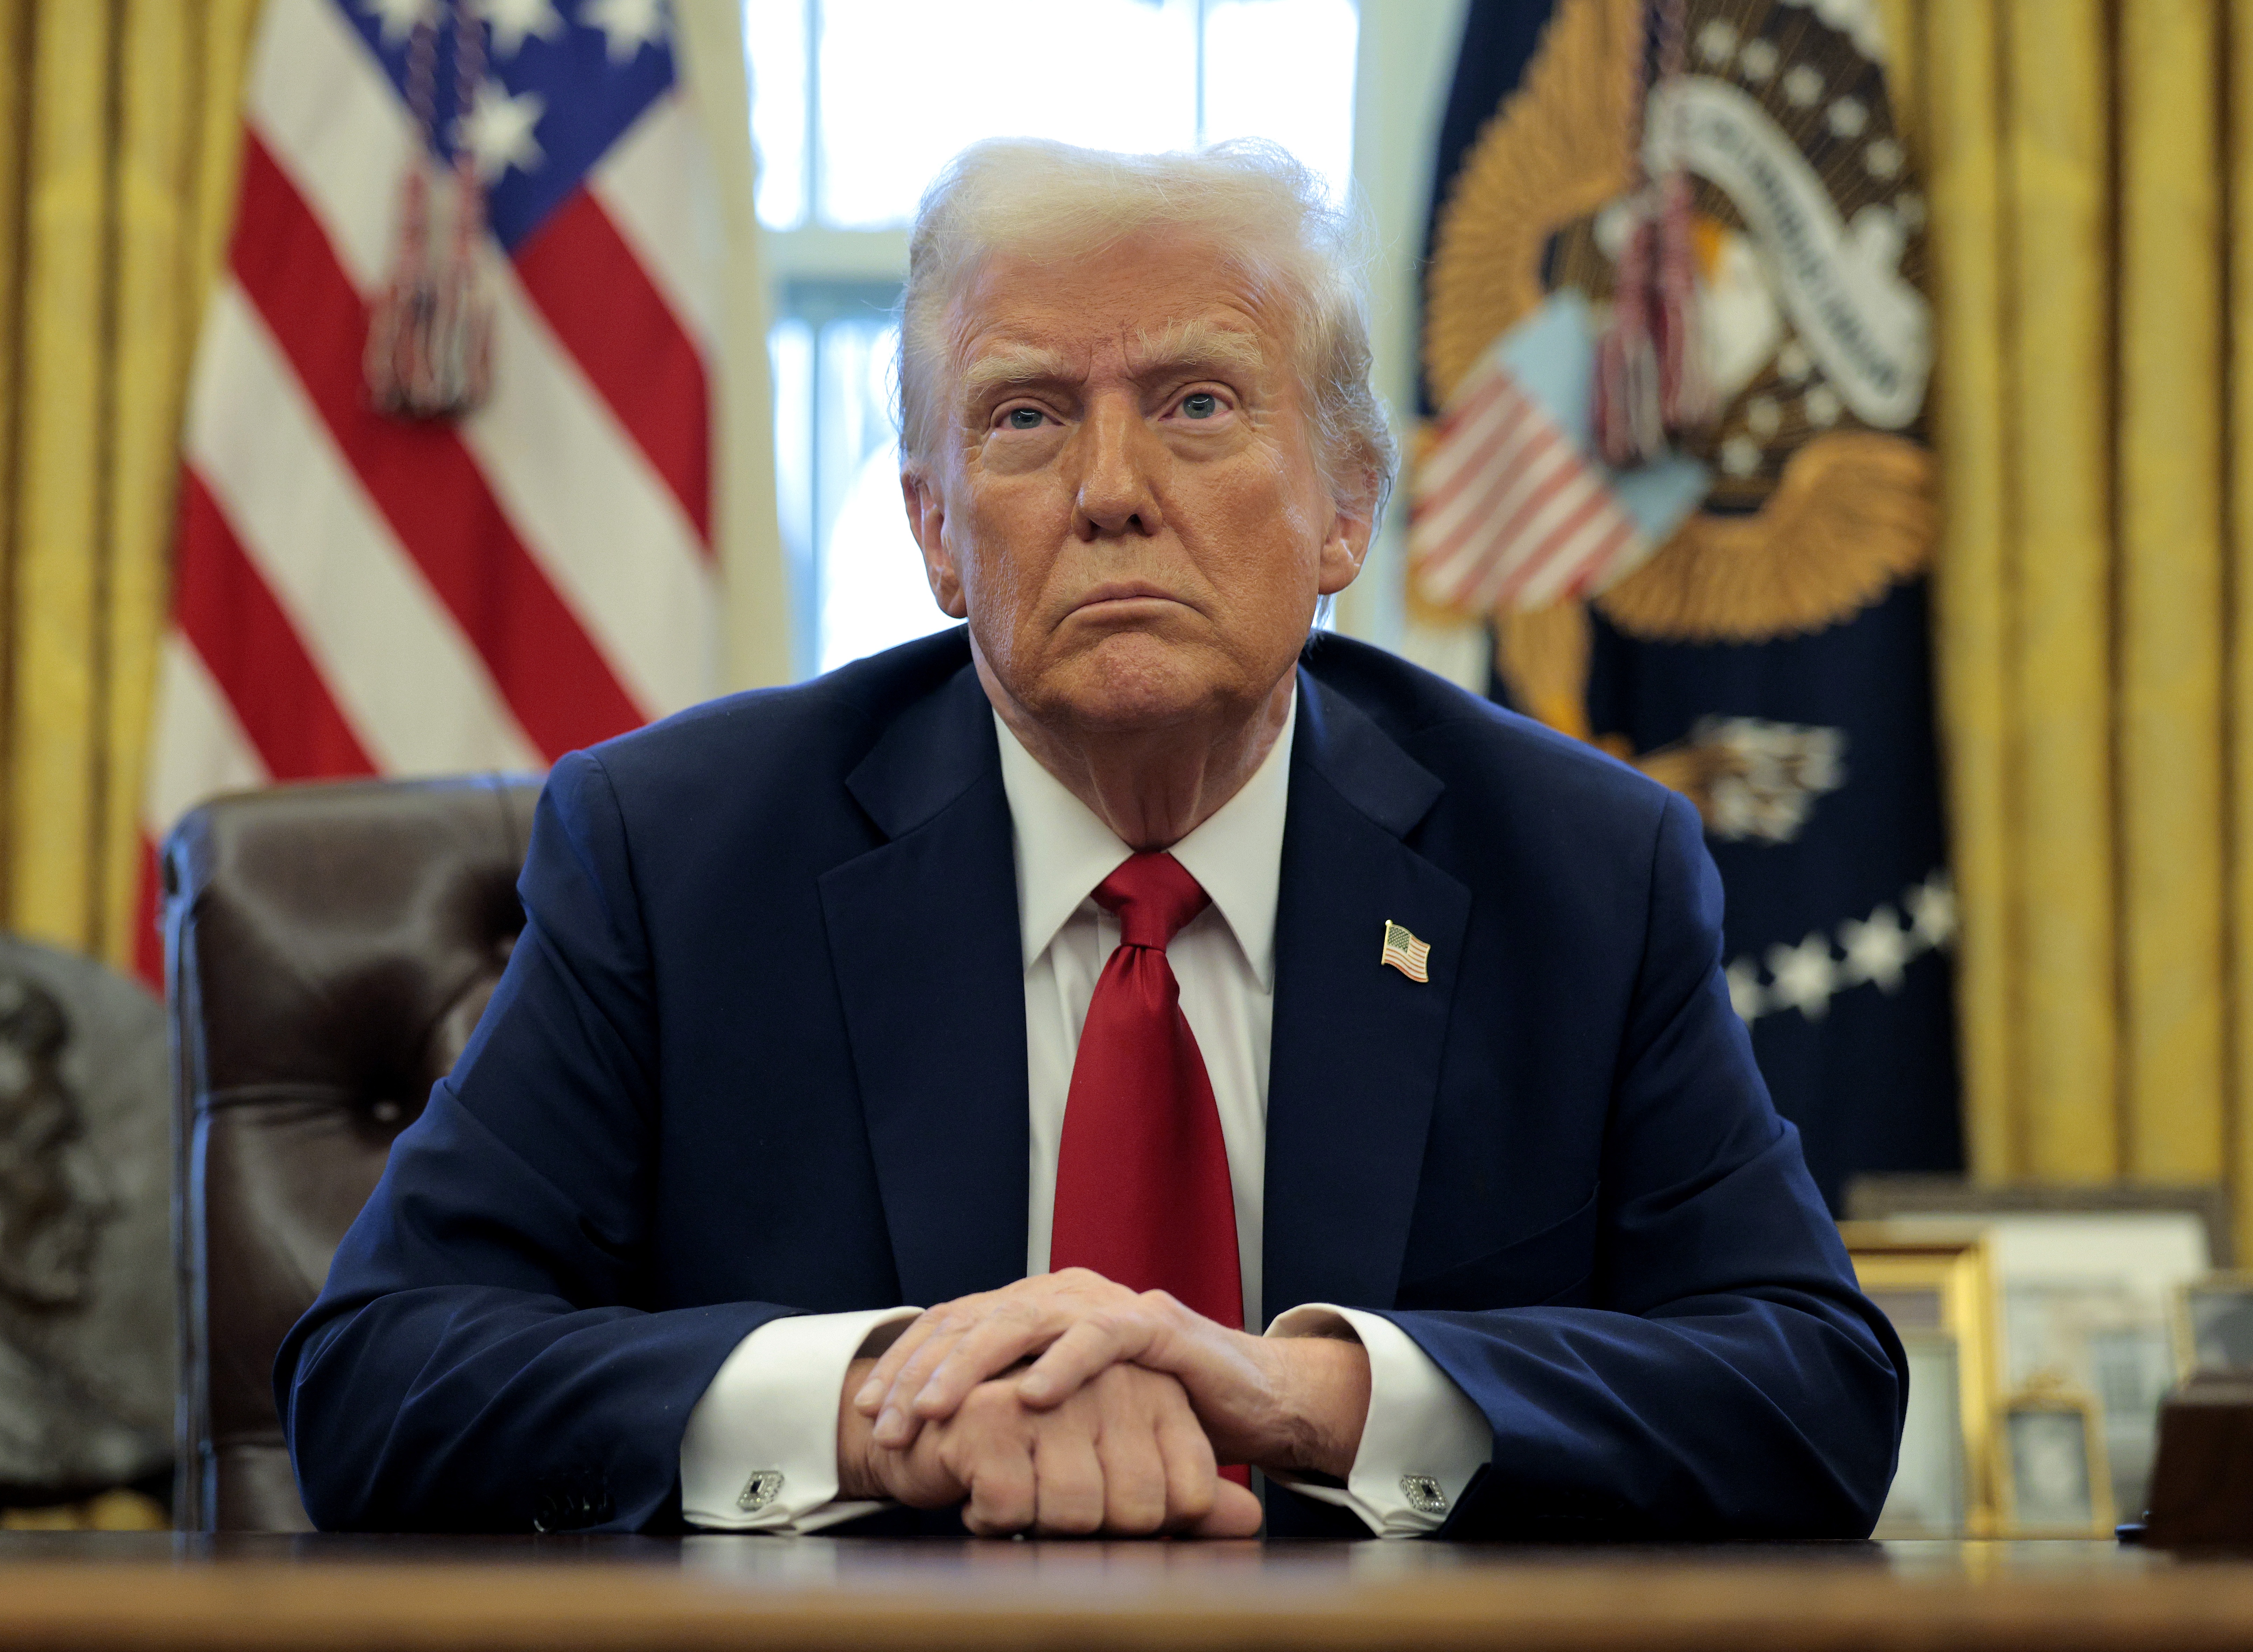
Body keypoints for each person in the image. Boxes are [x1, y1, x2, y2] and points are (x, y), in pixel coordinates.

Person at [277, 139, 1904, 1540]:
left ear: (1346, 502)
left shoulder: (1579, 868)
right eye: (1024, 418)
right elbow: (376, 1376)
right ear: (934, 529)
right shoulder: (679, 854)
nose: (1109, 488)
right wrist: (882, 1406)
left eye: (1196, 404)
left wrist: (1309, 1391)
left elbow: (1810, 1388)